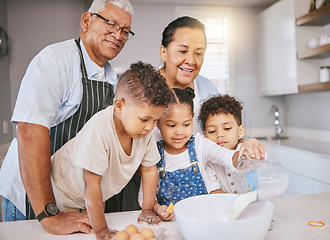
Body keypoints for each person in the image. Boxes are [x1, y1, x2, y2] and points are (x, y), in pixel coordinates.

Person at [0, 0, 134, 235]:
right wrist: (48, 213)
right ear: (86, 21)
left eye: (125, 30)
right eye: (111, 24)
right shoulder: (56, 60)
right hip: (37, 201)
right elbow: (30, 132)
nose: (118, 35)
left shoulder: (113, 79)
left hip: (72, 199)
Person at [50, 61, 174, 239]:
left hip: (92, 198)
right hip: (63, 193)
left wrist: (147, 209)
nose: (150, 128)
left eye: (155, 121)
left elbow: (149, 170)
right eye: (144, 119)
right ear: (119, 106)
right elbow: (91, 184)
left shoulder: (143, 134)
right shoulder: (99, 131)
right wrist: (101, 230)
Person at [138, 88, 266, 221]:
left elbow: (224, 156)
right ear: (158, 123)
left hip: (204, 220)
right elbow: (145, 195)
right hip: (171, 222)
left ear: (192, 120)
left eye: (186, 124)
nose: (179, 132)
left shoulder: (200, 145)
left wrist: (246, 150)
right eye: (171, 125)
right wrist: (159, 208)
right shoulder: (154, 153)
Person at [158, 16, 218, 135]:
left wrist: (244, 144)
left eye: (198, 53)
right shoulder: (140, 89)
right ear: (163, 53)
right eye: (182, 51)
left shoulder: (209, 89)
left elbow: (223, 136)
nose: (191, 61)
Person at [199, 94, 252, 194]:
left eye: (227, 128)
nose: (219, 135)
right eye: (212, 131)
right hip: (223, 207)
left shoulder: (245, 153)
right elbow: (214, 192)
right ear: (205, 136)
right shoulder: (209, 162)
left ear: (240, 131)